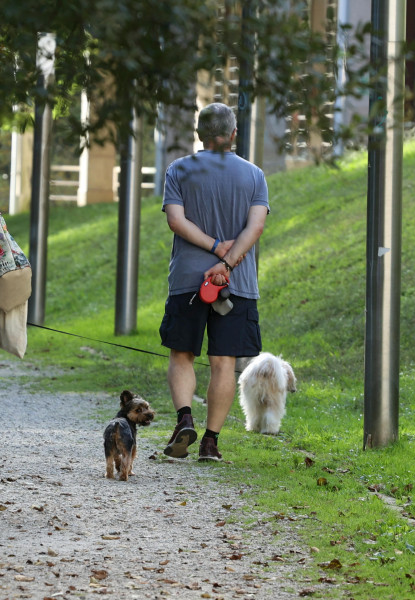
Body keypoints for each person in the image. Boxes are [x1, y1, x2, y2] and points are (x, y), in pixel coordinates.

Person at [158, 102, 270, 462]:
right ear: (234, 134)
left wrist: (211, 249)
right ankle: (211, 443)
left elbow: (175, 221)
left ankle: (184, 418)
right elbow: (255, 228)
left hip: (189, 280)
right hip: (236, 283)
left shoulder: (179, 170)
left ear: (199, 135)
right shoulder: (254, 174)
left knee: (182, 354)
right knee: (223, 361)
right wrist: (227, 261)